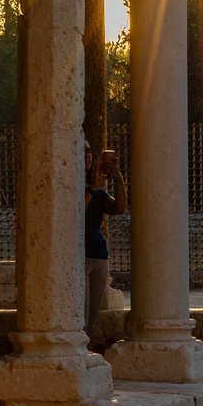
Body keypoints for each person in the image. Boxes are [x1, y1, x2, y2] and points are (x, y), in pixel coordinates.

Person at [84, 141, 127, 345]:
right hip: (80, 257)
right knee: (80, 316)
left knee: (92, 319)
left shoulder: (99, 192)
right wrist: (95, 185)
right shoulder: (73, 188)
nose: (87, 155)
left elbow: (119, 208)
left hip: (99, 256)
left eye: (89, 151)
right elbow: (80, 208)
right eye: (82, 151)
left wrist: (118, 177)